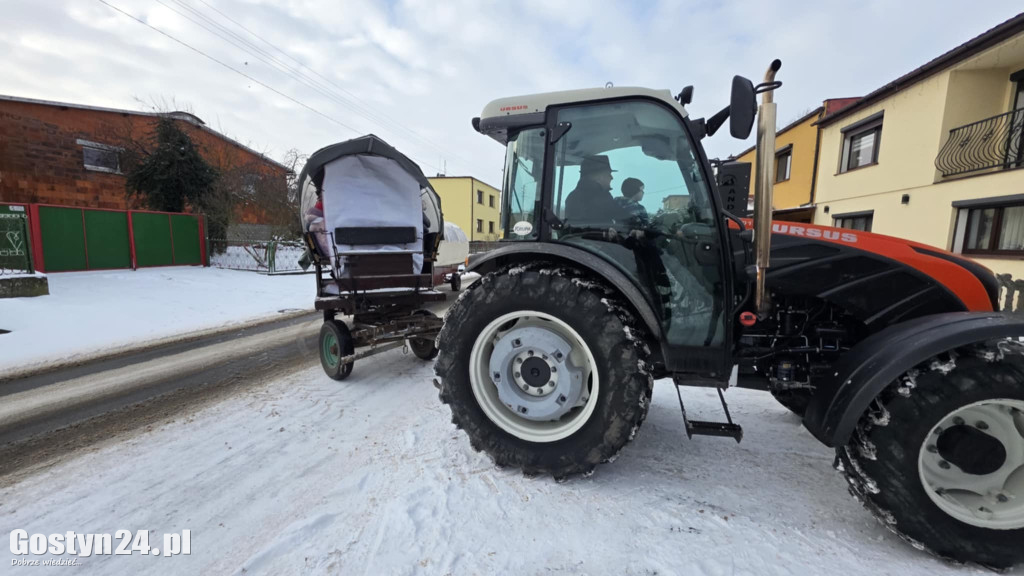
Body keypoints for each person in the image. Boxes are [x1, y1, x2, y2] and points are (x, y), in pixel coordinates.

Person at [563, 155, 622, 227]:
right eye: (609, 174)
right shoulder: (602, 197)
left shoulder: (572, 196)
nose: (611, 178)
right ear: (599, 177)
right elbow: (619, 218)